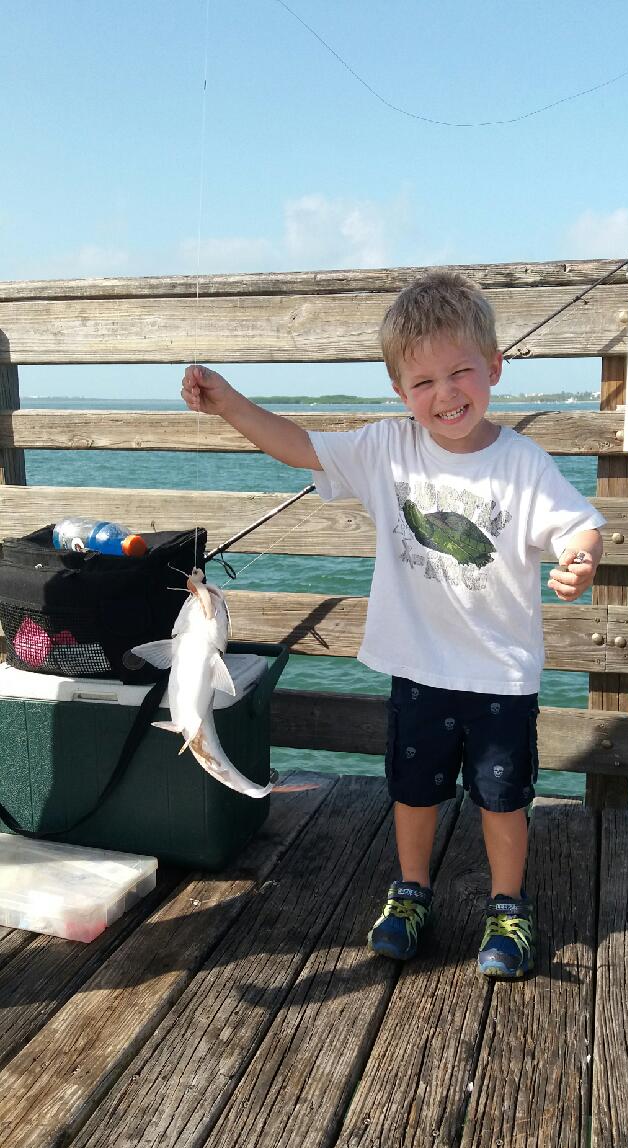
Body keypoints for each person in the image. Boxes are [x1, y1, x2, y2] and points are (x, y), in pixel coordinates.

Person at [182, 270, 605, 979]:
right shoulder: (385, 450)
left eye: (461, 372)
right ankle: (410, 894)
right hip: (419, 672)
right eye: (423, 382)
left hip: (501, 675)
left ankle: (508, 909)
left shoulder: (525, 463)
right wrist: (227, 403)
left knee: (503, 799)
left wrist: (578, 561)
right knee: (413, 792)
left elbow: (580, 526)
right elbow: (299, 445)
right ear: (400, 392)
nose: (446, 394)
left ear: (494, 368)